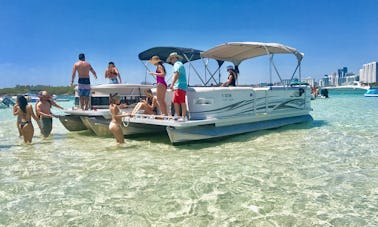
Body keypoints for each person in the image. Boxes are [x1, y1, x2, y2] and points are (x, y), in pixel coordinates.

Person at [167, 52, 187, 121]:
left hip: (180, 85)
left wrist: (172, 84)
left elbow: (177, 74)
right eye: (171, 59)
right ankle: (178, 116)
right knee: (175, 101)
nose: (171, 61)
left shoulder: (177, 64)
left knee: (181, 101)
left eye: (172, 59)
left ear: (175, 58)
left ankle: (183, 117)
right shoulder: (180, 64)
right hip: (180, 86)